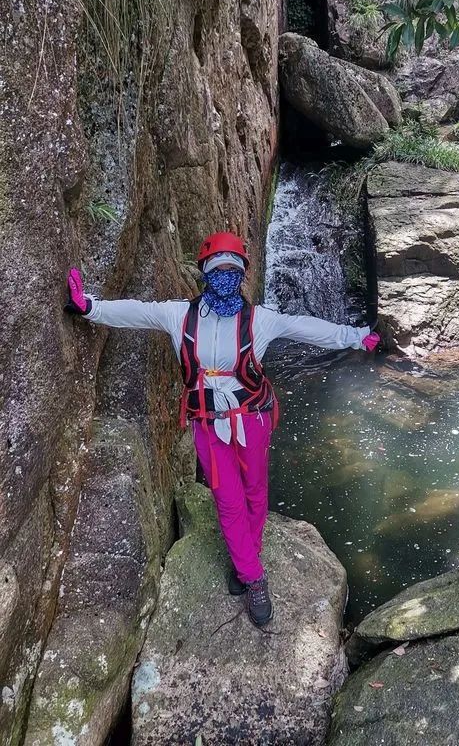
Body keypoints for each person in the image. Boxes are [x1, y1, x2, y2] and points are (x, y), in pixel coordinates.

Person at [65, 230, 379, 626]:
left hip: (253, 419)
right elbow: (135, 312)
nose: (225, 275)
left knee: (255, 492)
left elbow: (305, 326)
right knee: (228, 500)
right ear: (205, 274)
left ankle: (245, 556)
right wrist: (89, 306)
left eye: (233, 269)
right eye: (218, 269)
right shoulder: (180, 315)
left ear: (243, 274)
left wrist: (355, 337)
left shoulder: (259, 320)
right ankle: (253, 576)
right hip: (208, 423)